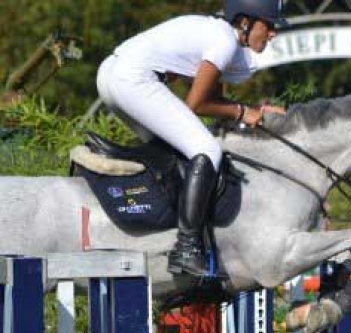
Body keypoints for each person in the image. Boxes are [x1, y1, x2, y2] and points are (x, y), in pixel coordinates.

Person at [96, 0, 287, 276]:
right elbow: (196, 104)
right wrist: (245, 112)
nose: (272, 33)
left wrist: (253, 111)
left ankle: (159, 225)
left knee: (173, 150)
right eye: (268, 25)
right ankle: (187, 247)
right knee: (207, 149)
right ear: (245, 23)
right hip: (133, 79)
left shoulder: (216, 33)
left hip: (110, 74)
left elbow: (214, 99)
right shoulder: (224, 41)